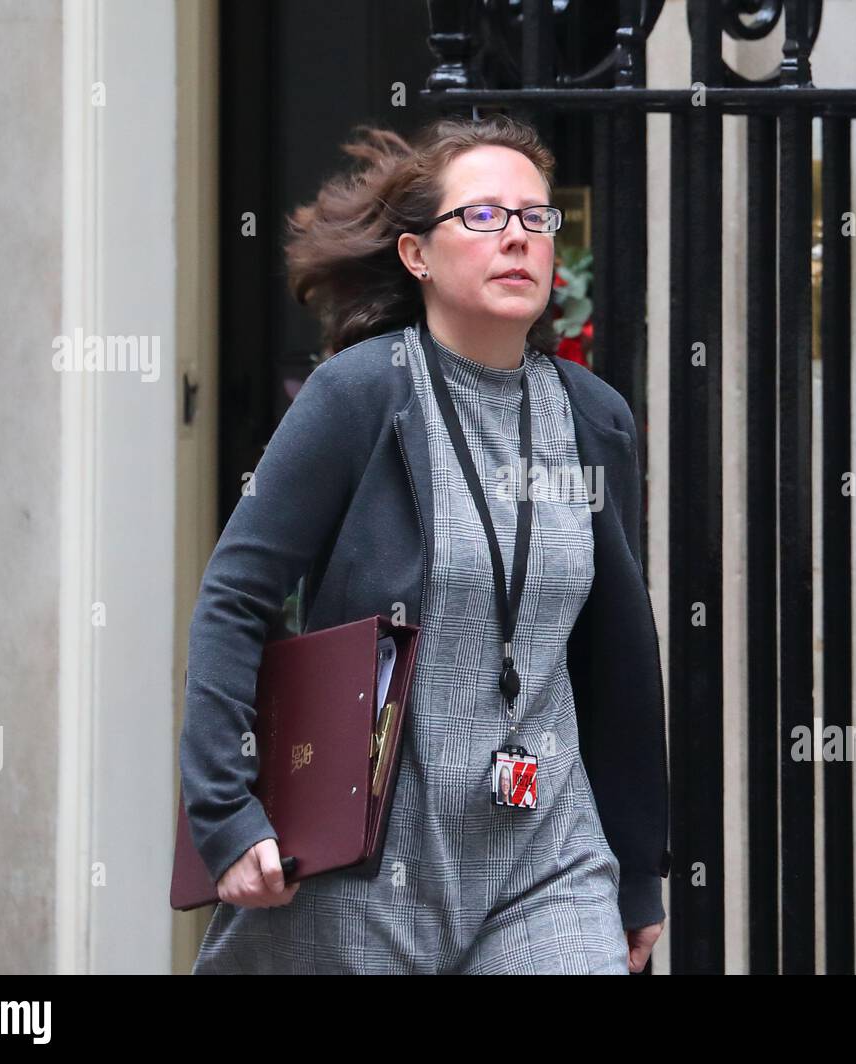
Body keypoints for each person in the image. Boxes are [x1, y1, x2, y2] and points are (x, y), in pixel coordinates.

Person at [180, 113, 670, 974]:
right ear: (418, 255)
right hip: (371, 852)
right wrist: (225, 811)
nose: (516, 237)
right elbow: (235, 595)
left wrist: (636, 872)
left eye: (535, 218)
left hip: (544, 851)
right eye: (482, 216)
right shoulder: (357, 396)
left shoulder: (594, 419)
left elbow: (617, 655)